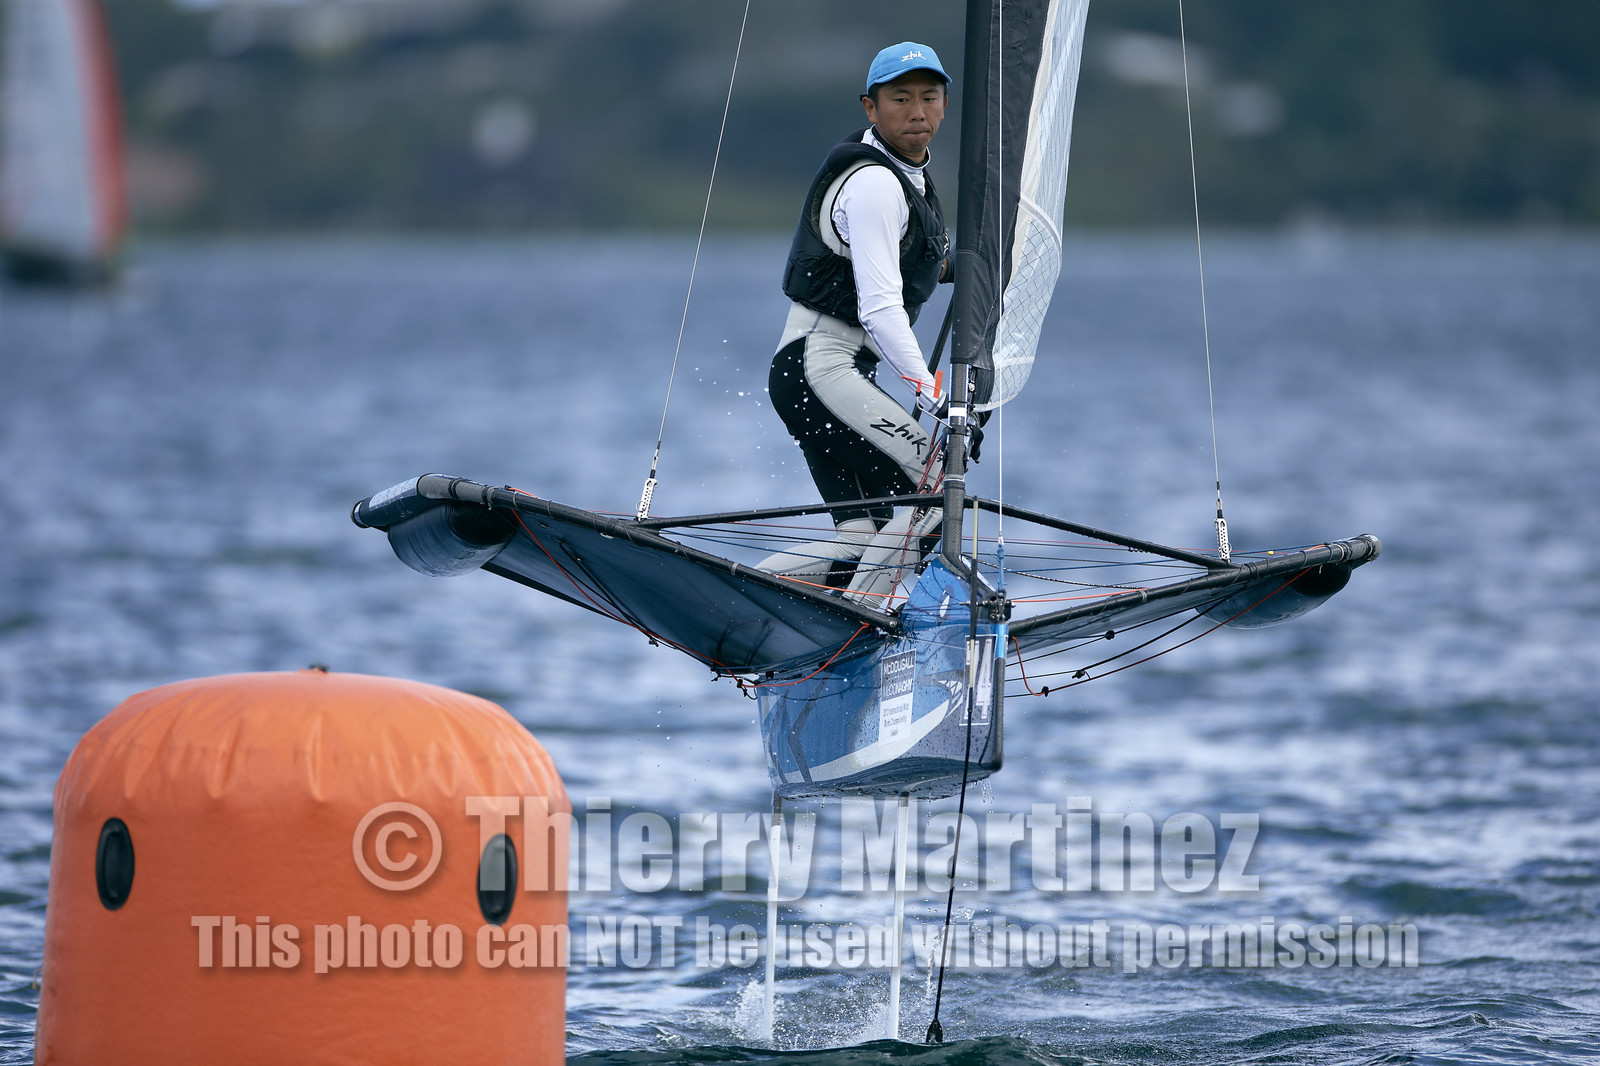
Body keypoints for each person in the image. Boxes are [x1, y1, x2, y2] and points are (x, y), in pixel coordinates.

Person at [759, 42, 960, 606]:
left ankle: (740, 607)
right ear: (871, 109)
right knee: (940, 491)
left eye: (929, 97)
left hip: (814, 374)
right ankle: (860, 628)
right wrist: (929, 390)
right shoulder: (873, 184)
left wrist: (966, 267)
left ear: (945, 104)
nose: (917, 111)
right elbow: (878, 306)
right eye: (900, 99)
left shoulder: (906, 175)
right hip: (822, 370)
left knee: (862, 538)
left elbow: (910, 262)